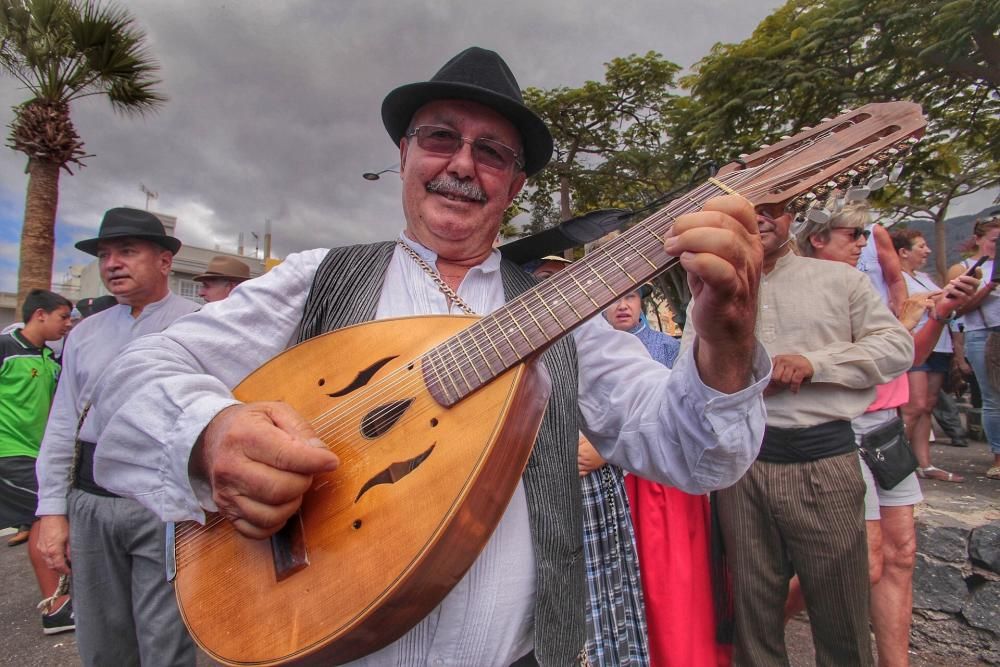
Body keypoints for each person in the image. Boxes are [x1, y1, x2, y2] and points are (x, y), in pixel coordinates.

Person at [88, 47, 770, 666]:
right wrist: (209, 436)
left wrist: (727, 339)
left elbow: (697, 453)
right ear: (405, 154)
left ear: (516, 184)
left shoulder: (563, 314)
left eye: (493, 152)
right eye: (440, 137)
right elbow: (131, 380)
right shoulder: (318, 277)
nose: (463, 164)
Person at [684, 200, 913, 666]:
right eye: (750, 210)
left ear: (793, 218)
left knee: (842, 617)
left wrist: (817, 364)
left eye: (773, 208)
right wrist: (730, 377)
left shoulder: (839, 280)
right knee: (753, 614)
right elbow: (685, 372)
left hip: (823, 463)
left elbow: (896, 346)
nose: (761, 218)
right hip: (743, 468)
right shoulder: (709, 294)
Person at [793, 203, 977, 667]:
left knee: (902, 554)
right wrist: (903, 325)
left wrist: (941, 313)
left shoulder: (867, 287)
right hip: (839, 428)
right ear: (818, 238)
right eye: (853, 234)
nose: (863, 244)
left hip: (884, 423)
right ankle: (749, 631)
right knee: (866, 561)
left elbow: (902, 358)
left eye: (865, 235)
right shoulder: (798, 289)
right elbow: (822, 366)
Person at [34, 208, 198, 666]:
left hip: (165, 499)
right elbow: (63, 423)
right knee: (101, 637)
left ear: (165, 261)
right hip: (91, 499)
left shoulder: (202, 324)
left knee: (166, 638)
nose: (112, 264)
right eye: (105, 254)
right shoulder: (84, 334)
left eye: (127, 251)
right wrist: (52, 512)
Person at [527, 257, 649, 666]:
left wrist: (605, 450)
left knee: (603, 594)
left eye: (564, 281)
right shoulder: (511, 344)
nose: (555, 291)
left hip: (597, 499)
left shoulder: (597, 342)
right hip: (538, 500)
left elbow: (637, 415)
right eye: (543, 280)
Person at [605, 286, 722, 667]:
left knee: (671, 579)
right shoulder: (585, 350)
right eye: (611, 299)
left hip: (659, 480)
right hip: (611, 479)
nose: (622, 306)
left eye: (631, 297)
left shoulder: (667, 348)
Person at [0, 289, 73, 633]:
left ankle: (58, 603)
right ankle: (56, 608)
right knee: (47, 516)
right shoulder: (5, 349)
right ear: (40, 314)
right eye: (63, 317)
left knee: (43, 520)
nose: (68, 324)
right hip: (9, 453)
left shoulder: (50, 357)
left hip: (37, 455)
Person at [891, 229, 962, 482]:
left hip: (939, 344)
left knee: (928, 406)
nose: (927, 250)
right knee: (914, 406)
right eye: (921, 246)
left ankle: (924, 464)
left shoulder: (923, 277)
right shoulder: (895, 278)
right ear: (903, 252)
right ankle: (895, 462)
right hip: (913, 342)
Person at [950, 215, 1000, 480]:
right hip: (982, 333)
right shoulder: (966, 268)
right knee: (993, 398)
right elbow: (957, 310)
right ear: (979, 240)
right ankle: (998, 457)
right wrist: (988, 287)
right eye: (995, 241)